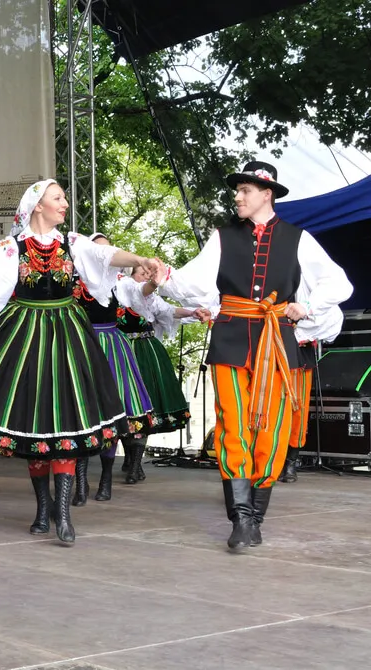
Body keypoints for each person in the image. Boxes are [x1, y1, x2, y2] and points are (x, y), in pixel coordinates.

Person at [0, 179, 160, 545]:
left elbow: (107, 257)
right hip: (26, 337)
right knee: (36, 423)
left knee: (64, 423)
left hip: (67, 338)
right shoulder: (10, 249)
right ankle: (43, 508)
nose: (65, 203)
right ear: (38, 205)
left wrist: (139, 260)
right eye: (57, 197)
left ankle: (61, 513)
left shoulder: (73, 243)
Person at [149, 161, 352, 549]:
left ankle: (256, 514)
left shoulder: (298, 238)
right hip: (231, 339)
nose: (237, 196)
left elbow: (339, 283)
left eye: (245, 190)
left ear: (266, 193)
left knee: (273, 430)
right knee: (233, 425)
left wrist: (306, 305)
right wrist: (165, 275)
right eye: (237, 190)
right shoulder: (223, 237)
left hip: (277, 343)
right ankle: (240, 518)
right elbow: (195, 282)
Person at [70, 232, 157, 505]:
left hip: (110, 347)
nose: (104, 256)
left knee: (113, 411)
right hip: (80, 345)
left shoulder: (119, 283)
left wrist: (154, 282)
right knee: (79, 413)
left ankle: (106, 478)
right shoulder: (73, 283)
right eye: (98, 251)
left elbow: (140, 292)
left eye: (108, 252)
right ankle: (81, 481)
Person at [116, 269, 209, 485]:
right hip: (120, 350)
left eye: (147, 274)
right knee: (122, 405)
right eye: (140, 273)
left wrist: (193, 312)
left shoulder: (149, 297)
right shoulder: (117, 290)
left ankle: (136, 463)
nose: (144, 277)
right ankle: (130, 458)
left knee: (145, 405)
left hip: (145, 353)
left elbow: (169, 310)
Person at [279, 276, 345, 483]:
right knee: (271, 407)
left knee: (297, 408)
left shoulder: (309, 284)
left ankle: (291, 462)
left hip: (300, 355)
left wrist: (307, 331)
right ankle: (268, 460)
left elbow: (332, 314)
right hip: (271, 351)